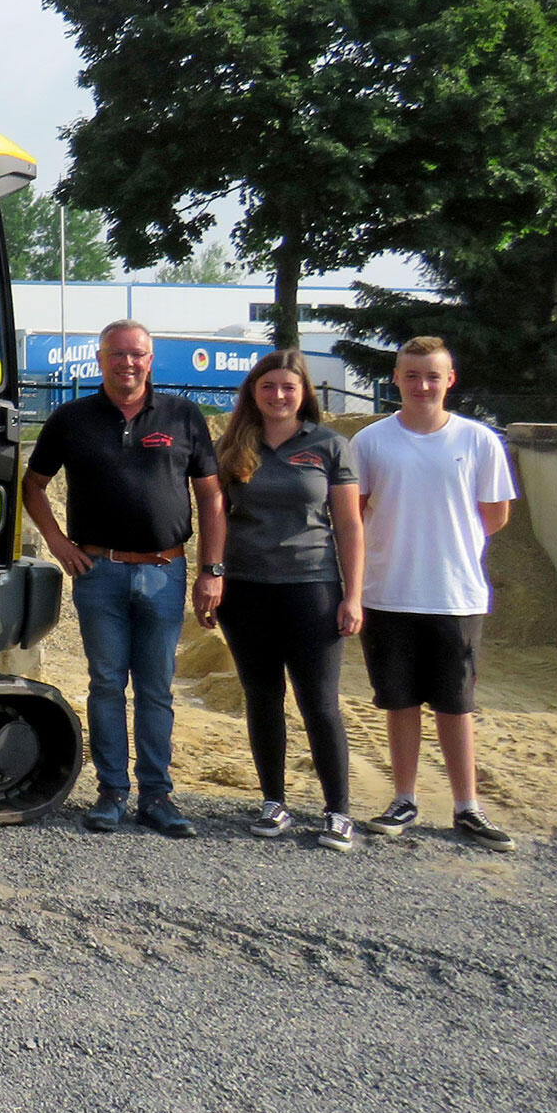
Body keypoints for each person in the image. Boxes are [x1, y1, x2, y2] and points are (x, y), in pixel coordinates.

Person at [20, 319, 226, 838]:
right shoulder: (72, 418)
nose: (127, 363)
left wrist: (211, 570)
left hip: (165, 571)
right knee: (107, 684)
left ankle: (157, 796)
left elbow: (211, 496)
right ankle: (112, 792)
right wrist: (59, 544)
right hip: (99, 573)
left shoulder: (182, 415)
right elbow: (34, 485)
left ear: (150, 360)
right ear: (100, 358)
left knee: (156, 688)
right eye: (117, 354)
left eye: (137, 355)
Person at [350, 336, 519, 851]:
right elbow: (352, 514)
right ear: (396, 380)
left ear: (450, 380)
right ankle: (404, 798)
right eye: (411, 375)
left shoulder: (479, 441)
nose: (422, 385)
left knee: (455, 704)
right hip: (388, 595)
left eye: (432, 376)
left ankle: (467, 807)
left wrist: (445, 547)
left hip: (456, 596)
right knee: (399, 701)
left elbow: (495, 515)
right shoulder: (371, 442)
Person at [209, 352, 364, 851]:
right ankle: (273, 801)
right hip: (245, 590)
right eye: (268, 386)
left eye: (288, 388)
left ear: (304, 394)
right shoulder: (231, 448)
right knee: (262, 698)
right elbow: (216, 518)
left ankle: (338, 810)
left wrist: (354, 595)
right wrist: (209, 576)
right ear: (253, 392)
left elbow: (349, 526)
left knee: (319, 702)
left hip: (312, 588)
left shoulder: (329, 446)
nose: (278, 396)